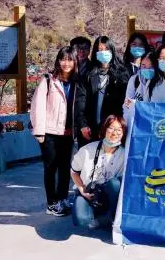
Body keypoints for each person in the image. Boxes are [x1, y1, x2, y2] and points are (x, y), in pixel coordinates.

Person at [30, 46, 77, 216]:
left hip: (68, 133)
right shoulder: (48, 80)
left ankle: (62, 198)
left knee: (65, 168)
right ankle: (51, 203)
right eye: (63, 59)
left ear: (75, 62)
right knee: (51, 168)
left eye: (70, 59)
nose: (66, 63)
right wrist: (39, 132)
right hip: (50, 132)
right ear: (58, 61)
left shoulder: (76, 82)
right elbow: (38, 106)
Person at [70, 115, 126, 230]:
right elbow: (74, 172)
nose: (115, 133)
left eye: (119, 129)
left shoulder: (124, 154)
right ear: (104, 130)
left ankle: (113, 214)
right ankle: (94, 213)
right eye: (111, 128)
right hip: (88, 192)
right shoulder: (87, 150)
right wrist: (82, 190)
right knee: (81, 220)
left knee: (115, 184)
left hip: (108, 192)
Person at [75, 36, 129, 147]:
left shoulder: (122, 74)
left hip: (113, 130)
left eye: (106, 49)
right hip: (89, 129)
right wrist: (83, 124)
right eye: (100, 50)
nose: (103, 53)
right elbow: (80, 101)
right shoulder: (88, 73)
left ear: (112, 51)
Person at [122, 51, 155, 130]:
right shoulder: (134, 79)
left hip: (151, 124)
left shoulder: (158, 83)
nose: (147, 69)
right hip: (134, 123)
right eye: (143, 65)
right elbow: (127, 104)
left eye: (151, 66)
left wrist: (135, 104)